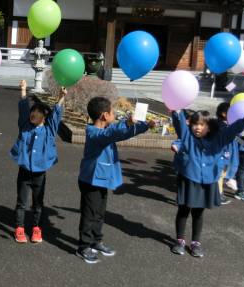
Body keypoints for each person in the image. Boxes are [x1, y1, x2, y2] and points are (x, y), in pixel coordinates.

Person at [76, 97, 154, 264]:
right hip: (90, 181)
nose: (114, 114)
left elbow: (122, 133)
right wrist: (126, 122)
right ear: (105, 115)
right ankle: (83, 247)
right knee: (89, 214)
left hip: (101, 179)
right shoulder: (93, 132)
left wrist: (145, 125)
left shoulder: (108, 130)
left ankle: (96, 241)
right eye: (112, 112)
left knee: (99, 212)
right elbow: (112, 133)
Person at [171, 108, 244, 257]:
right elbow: (179, 125)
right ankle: (180, 240)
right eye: (195, 124)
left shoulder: (218, 139)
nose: (198, 127)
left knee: (198, 213)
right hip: (189, 178)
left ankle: (196, 242)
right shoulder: (187, 137)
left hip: (207, 181)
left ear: (209, 126)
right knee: (183, 210)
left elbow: (233, 130)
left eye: (202, 124)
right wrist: (176, 111)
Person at [10, 80, 66, 243]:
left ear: (43, 117)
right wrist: (23, 90)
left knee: (38, 203)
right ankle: (19, 228)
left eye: (35, 114)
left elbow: (56, 114)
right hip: (24, 171)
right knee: (21, 202)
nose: (32, 116)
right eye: (31, 113)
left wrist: (62, 97)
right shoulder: (25, 126)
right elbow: (23, 109)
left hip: (40, 173)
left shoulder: (49, 130)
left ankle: (36, 228)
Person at [215, 102, 239, 205]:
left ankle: (218, 193)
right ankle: (218, 194)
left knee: (222, 174)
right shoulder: (222, 126)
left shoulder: (227, 125)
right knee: (219, 175)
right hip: (222, 154)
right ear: (224, 114)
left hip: (226, 153)